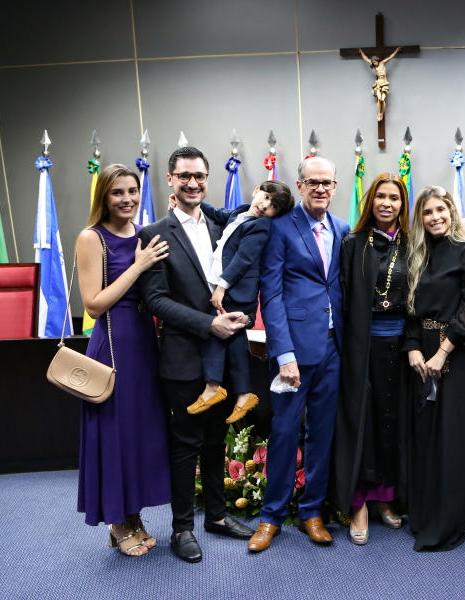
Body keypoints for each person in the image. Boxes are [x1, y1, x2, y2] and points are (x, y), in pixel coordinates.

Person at [138, 147, 255, 564]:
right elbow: (155, 299)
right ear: (170, 179)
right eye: (184, 176)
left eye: (200, 176)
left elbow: (244, 264)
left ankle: (217, 517)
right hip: (185, 354)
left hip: (224, 352)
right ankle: (182, 527)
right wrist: (209, 324)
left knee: (216, 438)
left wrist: (239, 313)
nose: (193, 183)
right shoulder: (154, 233)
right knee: (186, 442)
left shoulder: (223, 222)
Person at [249, 156, 351, 552]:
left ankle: (312, 512)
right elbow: (271, 294)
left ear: (335, 186)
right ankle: (271, 516)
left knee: (322, 433)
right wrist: (284, 354)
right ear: (300, 185)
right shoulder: (280, 227)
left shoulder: (342, 228)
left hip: (334, 348)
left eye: (327, 182)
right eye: (313, 182)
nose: (320, 188)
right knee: (285, 431)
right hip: (293, 351)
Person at [76, 164, 172, 557]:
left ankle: (133, 516)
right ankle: (116, 523)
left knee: (138, 435)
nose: (127, 199)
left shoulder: (143, 234)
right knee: (114, 435)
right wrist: (138, 266)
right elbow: (93, 305)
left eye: (132, 191)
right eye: (117, 192)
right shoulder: (92, 237)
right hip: (113, 348)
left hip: (145, 346)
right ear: (104, 196)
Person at [405, 185, 465, 552]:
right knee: (425, 438)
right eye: (427, 212)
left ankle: (448, 525)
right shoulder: (418, 253)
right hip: (421, 353)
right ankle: (423, 517)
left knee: (453, 441)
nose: (435, 217)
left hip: (458, 353)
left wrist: (442, 353)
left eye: (441, 209)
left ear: (452, 211)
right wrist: (412, 347)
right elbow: (409, 309)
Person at [332, 173, 411, 545]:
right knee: (363, 423)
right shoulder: (352, 243)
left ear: (402, 204)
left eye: (394, 198)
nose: (387, 203)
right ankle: (359, 503)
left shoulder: (412, 243)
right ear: (370, 201)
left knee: (391, 423)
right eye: (380, 196)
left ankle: (385, 496)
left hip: (402, 348)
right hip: (362, 348)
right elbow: (343, 299)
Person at [178, 181, 294, 423]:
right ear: (256, 191)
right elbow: (216, 212)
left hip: (236, 290)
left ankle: (214, 386)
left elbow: (243, 259)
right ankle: (242, 393)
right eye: (266, 197)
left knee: (217, 332)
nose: (266, 205)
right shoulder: (240, 211)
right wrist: (185, 201)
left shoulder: (261, 225)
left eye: (274, 206)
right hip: (226, 287)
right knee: (233, 339)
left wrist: (221, 287)